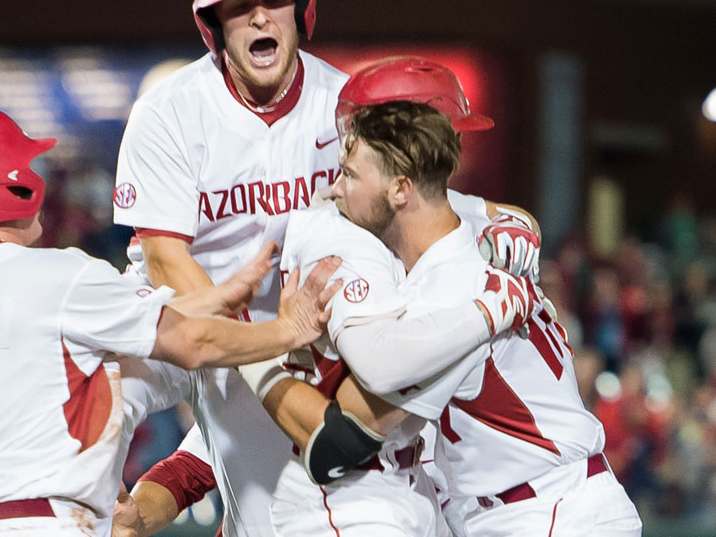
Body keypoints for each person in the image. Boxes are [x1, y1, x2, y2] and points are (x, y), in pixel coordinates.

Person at [112, 0, 541, 536]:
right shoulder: (169, 109)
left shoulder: (341, 101)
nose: (259, 15)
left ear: (300, 8)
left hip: (306, 317)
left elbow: (415, 191)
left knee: (281, 500)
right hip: (186, 309)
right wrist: (252, 351)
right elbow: (164, 261)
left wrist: (507, 215)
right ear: (214, 24)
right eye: (238, 5)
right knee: (96, 393)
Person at [245, 59, 643, 536]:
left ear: (400, 185)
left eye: (350, 173)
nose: (334, 188)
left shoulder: (446, 289)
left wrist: (251, 347)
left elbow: (342, 441)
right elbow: (497, 214)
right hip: (537, 504)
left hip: (545, 512)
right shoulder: (469, 231)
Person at [0, 108, 341, 537]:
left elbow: (116, 319)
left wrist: (218, 296)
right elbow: (192, 343)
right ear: (1, 182)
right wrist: (287, 329)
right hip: (41, 520)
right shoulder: (59, 276)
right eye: (21, 164)